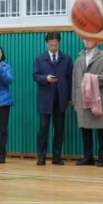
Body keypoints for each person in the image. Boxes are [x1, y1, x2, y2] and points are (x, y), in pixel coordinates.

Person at [72, 39, 103, 167]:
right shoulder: (79, 59)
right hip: (83, 98)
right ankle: (88, 157)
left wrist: (94, 80)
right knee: (85, 128)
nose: (87, 40)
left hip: (100, 98)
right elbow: (75, 81)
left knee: (102, 128)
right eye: (84, 37)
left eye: (90, 37)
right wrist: (75, 100)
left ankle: (102, 158)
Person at [32, 32, 72, 165]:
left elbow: (70, 78)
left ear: (59, 43)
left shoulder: (66, 58)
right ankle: (41, 157)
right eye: (51, 45)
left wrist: (70, 97)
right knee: (43, 130)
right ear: (46, 44)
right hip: (45, 99)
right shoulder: (40, 58)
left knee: (59, 130)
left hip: (61, 99)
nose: (53, 47)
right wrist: (46, 79)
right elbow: (35, 76)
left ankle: (56, 157)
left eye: (55, 45)